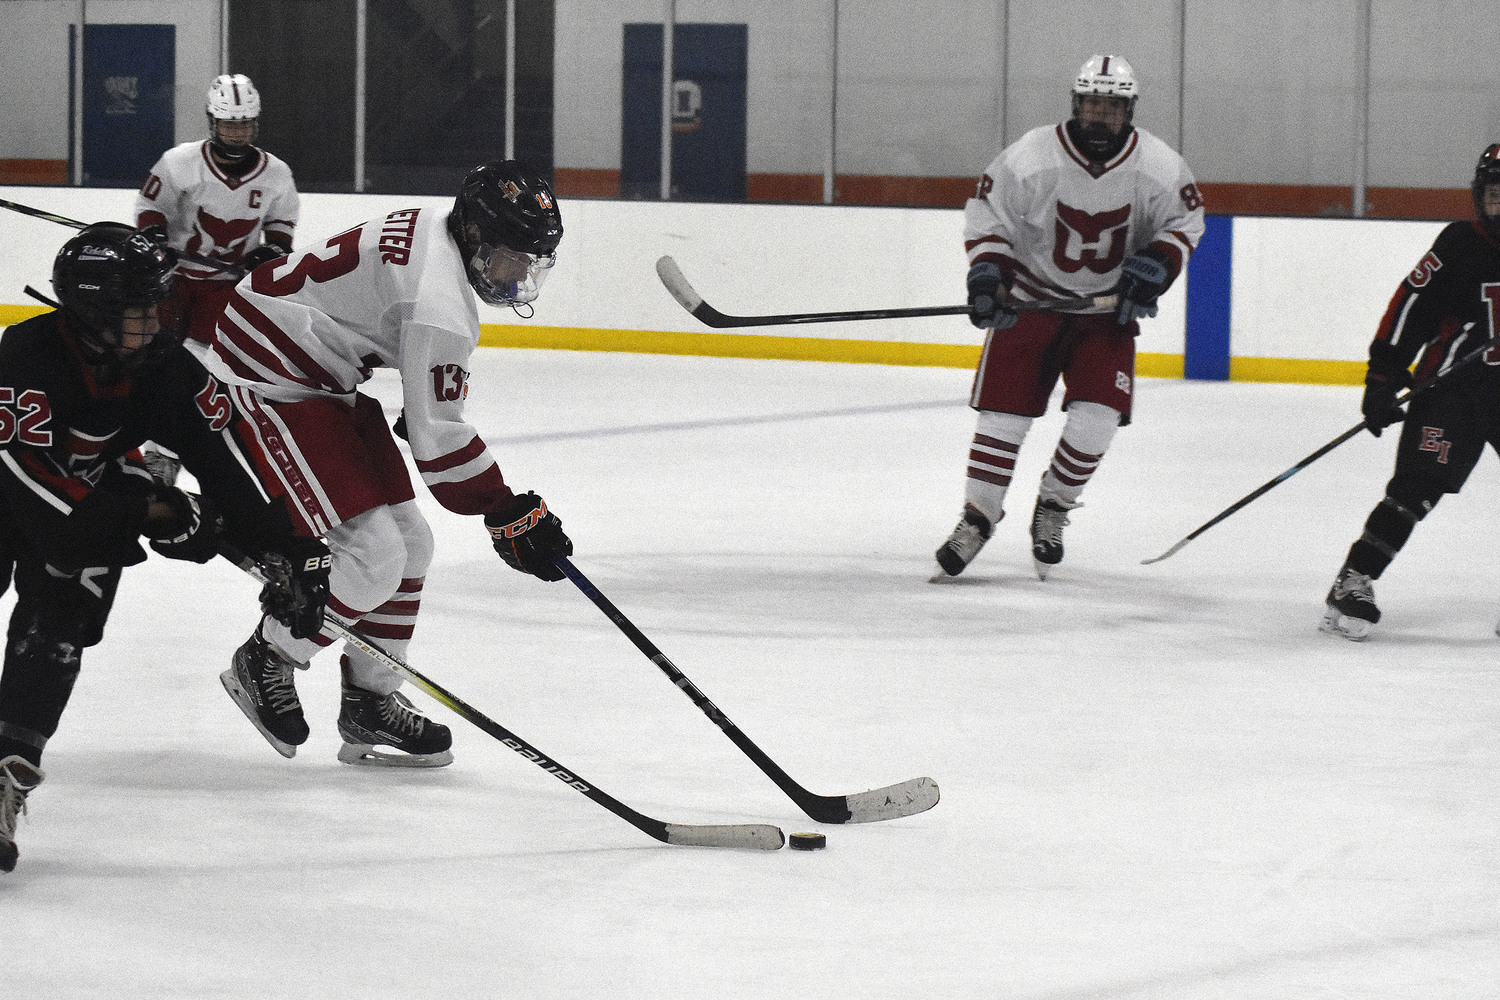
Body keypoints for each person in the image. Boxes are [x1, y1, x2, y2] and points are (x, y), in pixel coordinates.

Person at [192, 159, 573, 769]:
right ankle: (268, 654)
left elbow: (376, 317)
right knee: (373, 557)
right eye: (512, 256)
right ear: (475, 235)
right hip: (266, 375)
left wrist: (423, 395)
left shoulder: (437, 224)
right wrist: (506, 510)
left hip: (317, 367)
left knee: (412, 545)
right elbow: (439, 443)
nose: (520, 275)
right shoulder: (442, 303)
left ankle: (369, 700)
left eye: (533, 262)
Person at [0, 224, 328, 873]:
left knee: (61, 617)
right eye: (138, 309)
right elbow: (43, 503)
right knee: (76, 552)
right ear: (93, 315)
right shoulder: (27, 354)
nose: (154, 321)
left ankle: (5, 774)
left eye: (157, 304)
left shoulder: (160, 368)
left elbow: (227, 459)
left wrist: (287, 546)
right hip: (13, 499)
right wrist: (159, 509)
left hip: (85, 504)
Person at [932, 54, 1205, 581]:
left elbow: (1184, 220)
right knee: (1002, 422)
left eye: (1112, 105)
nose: (1100, 115)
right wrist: (987, 274)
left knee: (1096, 421)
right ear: (1076, 103)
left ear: (1129, 110)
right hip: (1031, 304)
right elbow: (990, 216)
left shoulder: (1159, 165)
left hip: (1103, 314)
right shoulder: (1032, 155)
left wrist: (1159, 265)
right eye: (1091, 103)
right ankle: (978, 518)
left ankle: (1053, 507)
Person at [1320, 144, 1500, 640]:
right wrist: (1383, 377)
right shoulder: (1461, 244)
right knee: (1416, 489)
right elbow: (1409, 308)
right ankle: (1353, 581)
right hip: (1453, 391)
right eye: (1494, 195)